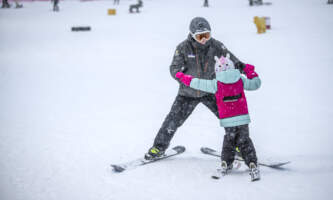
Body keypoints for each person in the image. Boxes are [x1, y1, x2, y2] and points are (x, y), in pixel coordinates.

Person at [144, 17, 249, 160]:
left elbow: (233, 61)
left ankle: (239, 147)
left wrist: (245, 68)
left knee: (230, 118)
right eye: (200, 36)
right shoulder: (183, 48)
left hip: (211, 90)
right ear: (192, 35)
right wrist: (180, 76)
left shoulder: (217, 46)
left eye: (207, 35)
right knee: (172, 120)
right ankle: (158, 148)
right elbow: (174, 68)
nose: (204, 39)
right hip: (188, 93)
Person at [175, 54, 261, 181]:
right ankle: (252, 162)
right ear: (231, 67)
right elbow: (255, 84)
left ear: (217, 70)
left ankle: (226, 162)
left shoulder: (216, 83)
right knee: (244, 140)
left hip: (228, 119)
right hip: (242, 117)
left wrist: (184, 78)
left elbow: (198, 83)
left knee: (229, 141)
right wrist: (250, 72)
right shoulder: (240, 79)